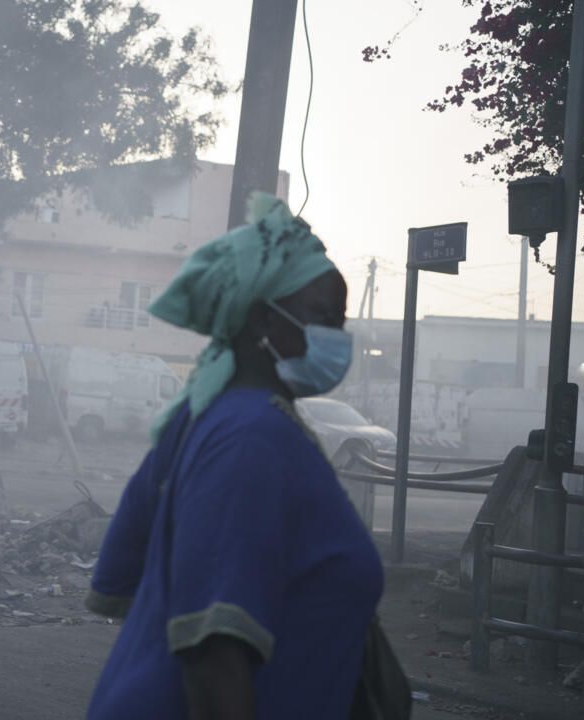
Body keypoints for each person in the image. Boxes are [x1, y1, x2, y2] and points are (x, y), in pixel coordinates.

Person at [84, 193, 384, 719]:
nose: (337, 337)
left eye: (339, 320)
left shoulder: (204, 415)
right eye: (321, 317)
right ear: (262, 321)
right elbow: (214, 650)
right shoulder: (250, 438)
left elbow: (120, 574)